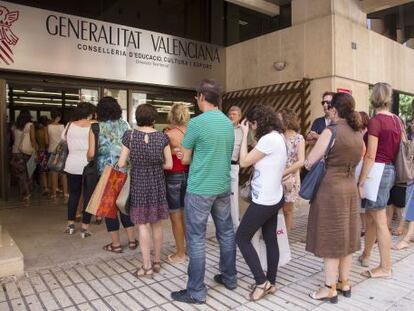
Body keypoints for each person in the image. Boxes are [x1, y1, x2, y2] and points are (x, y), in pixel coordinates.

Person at [171, 79, 236, 304]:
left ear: (200, 97)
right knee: (226, 232)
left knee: (196, 238)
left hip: (200, 187)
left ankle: (196, 291)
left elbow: (186, 158)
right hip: (222, 186)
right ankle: (229, 277)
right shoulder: (228, 123)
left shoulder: (197, 124)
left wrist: (183, 154)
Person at [305, 93, 363, 303]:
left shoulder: (331, 131)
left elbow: (311, 161)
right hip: (350, 188)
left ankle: (329, 288)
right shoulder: (358, 133)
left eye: (329, 106)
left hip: (331, 189)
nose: (327, 109)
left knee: (331, 238)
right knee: (346, 236)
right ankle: (344, 282)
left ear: (335, 110)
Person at [236, 105, 287, 301]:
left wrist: (244, 134)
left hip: (265, 199)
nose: (251, 127)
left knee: (241, 237)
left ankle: (261, 282)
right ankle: (271, 282)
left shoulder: (268, 139)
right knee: (270, 238)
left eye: (252, 124)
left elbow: (244, 162)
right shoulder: (278, 137)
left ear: (257, 123)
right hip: (274, 196)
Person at [118, 103, 172, 277]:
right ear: (154, 119)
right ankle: (156, 261)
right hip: (157, 182)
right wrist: (156, 164)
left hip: (139, 183)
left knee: (142, 225)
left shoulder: (130, 136)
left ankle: (146, 266)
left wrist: (136, 163)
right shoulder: (162, 138)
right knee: (157, 223)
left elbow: (121, 163)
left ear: (137, 119)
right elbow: (169, 164)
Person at [358, 82, 400, 278]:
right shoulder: (396, 120)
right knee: (372, 217)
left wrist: (360, 181)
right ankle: (366, 255)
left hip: (377, 172)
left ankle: (385, 267)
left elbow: (370, 156)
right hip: (389, 170)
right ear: (389, 98)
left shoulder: (376, 121)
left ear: (373, 97)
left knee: (380, 220)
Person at [87, 97, 137, 251]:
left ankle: (115, 244)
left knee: (109, 208)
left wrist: (89, 158)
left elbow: (91, 153)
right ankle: (132, 241)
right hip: (125, 170)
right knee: (124, 204)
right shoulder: (125, 124)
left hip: (106, 174)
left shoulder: (95, 127)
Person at [64, 102, 95, 237]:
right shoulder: (94, 125)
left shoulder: (69, 125)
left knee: (74, 194)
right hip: (89, 164)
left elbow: (63, 140)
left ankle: (70, 224)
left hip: (72, 163)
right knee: (89, 196)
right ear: (89, 113)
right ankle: (84, 228)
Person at [164, 103, 190, 264]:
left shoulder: (168, 135)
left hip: (173, 176)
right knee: (188, 215)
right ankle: (191, 250)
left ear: (171, 116)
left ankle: (180, 253)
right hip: (190, 175)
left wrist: (173, 151)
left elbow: (162, 156)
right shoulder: (191, 133)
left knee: (176, 216)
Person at [278, 108, 305, 232]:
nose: (277, 121)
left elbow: (301, 161)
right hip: (275, 176)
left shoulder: (299, 138)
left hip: (291, 178)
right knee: (272, 208)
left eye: (279, 118)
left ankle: (286, 237)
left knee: (287, 209)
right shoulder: (277, 136)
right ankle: (273, 234)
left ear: (287, 119)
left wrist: (284, 172)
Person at [10, 109, 37, 201]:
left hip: (16, 152)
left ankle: (25, 193)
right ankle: (28, 192)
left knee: (21, 174)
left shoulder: (14, 126)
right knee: (29, 173)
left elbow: (14, 139)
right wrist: (35, 152)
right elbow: (33, 139)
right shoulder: (30, 125)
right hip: (28, 152)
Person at [227, 105, 243, 228]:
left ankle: (235, 223)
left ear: (240, 117)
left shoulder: (243, 131)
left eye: (234, 114)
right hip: (220, 164)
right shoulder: (223, 128)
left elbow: (253, 144)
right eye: (230, 114)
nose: (231, 116)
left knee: (233, 195)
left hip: (233, 166)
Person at [47, 109, 68, 199]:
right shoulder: (62, 126)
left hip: (51, 150)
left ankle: (53, 193)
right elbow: (65, 140)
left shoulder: (48, 127)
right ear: (59, 117)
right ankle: (65, 193)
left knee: (53, 172)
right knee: (63, 173)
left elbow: (46, 141)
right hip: (61, 151)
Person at [359, 111, 370, 237]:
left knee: (364, 201)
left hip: (364, 168)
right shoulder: (358, 133)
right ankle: (363, 227)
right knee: (361, 202)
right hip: (359, 168)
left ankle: (366, 227)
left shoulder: (367, 133)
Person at [35, 116, 49, 196]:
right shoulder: (46, 130)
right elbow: (47, 142)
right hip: (47, 151)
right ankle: (48, 187)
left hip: (40, 152)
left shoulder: (37, 131)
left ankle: (45, 187)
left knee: (42, 171)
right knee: (48, 171)